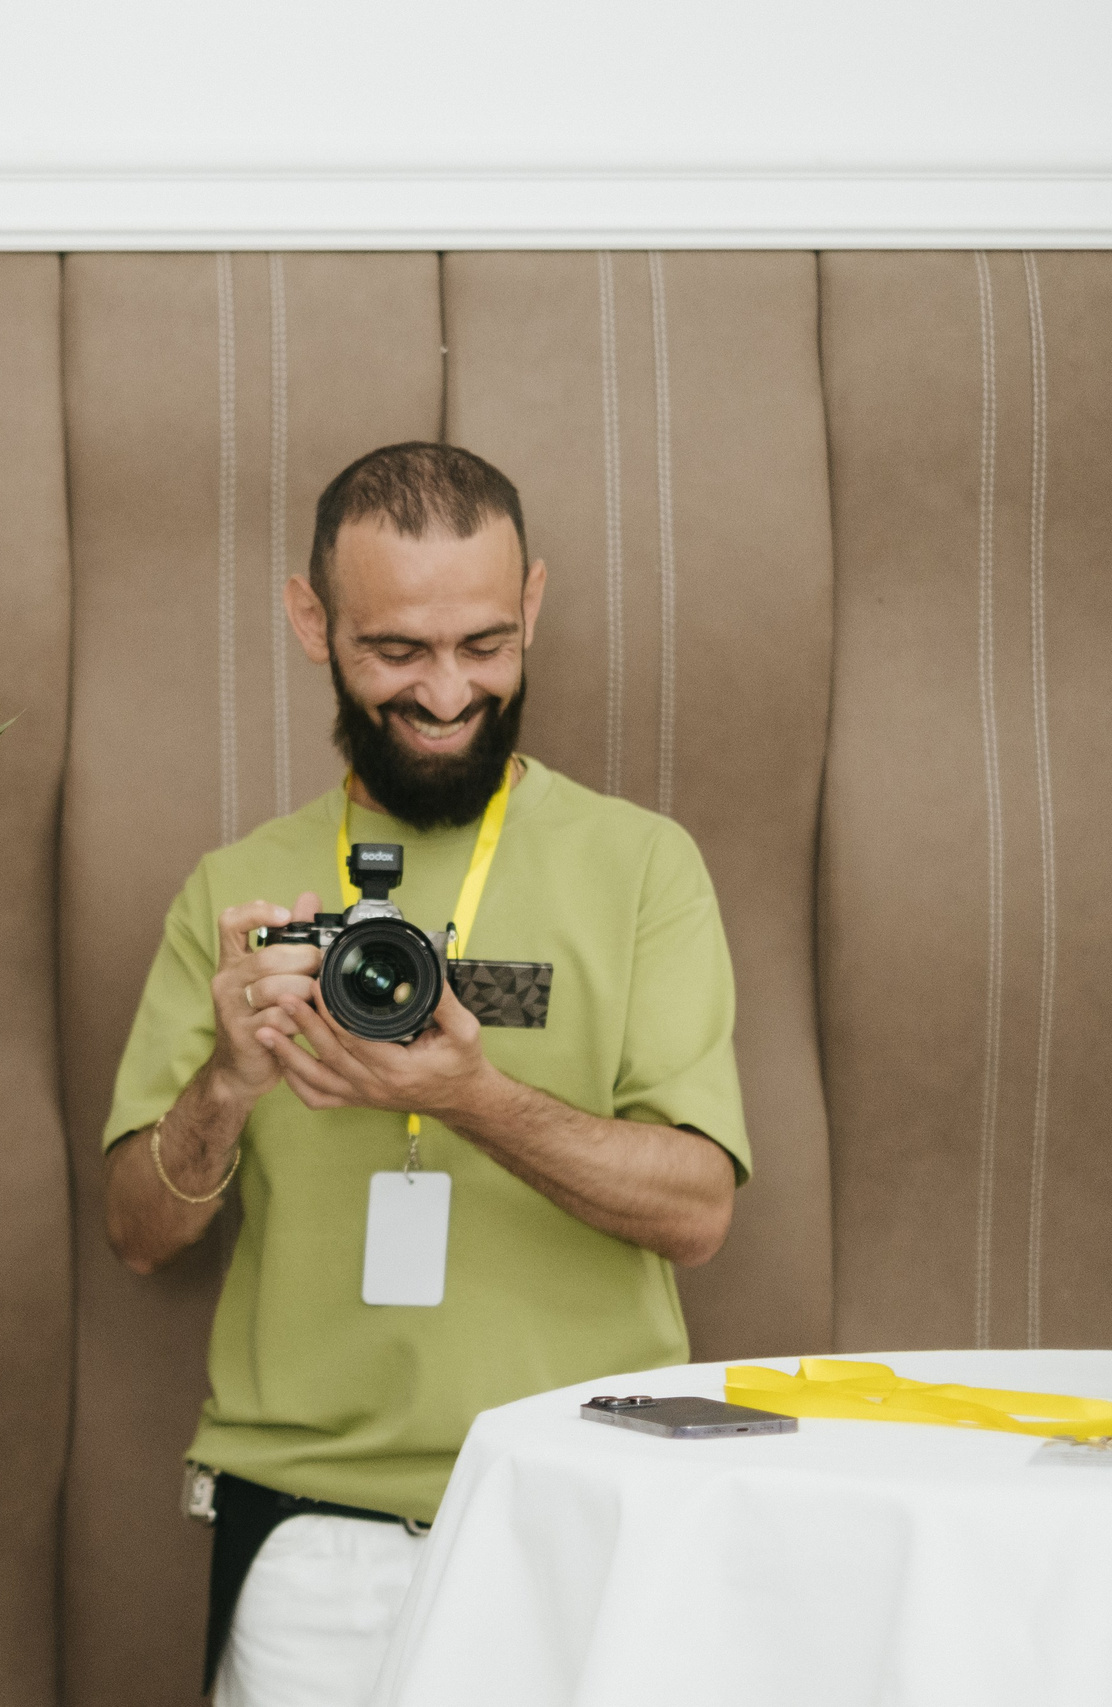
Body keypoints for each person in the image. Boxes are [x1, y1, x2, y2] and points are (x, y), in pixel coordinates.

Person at [100, 443, 749, 1707]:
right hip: (309, 1536)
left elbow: (698, 1211)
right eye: (397, 650)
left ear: (534, 609)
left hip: (580, 1502)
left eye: (485, 645)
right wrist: (227, 1081)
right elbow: (136, 1236)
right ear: (311, 622)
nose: (447, 691)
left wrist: (470, 1094)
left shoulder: (642, 867)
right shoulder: (239, 890)